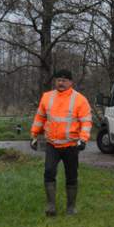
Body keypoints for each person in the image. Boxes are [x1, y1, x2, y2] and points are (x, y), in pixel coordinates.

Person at [30, 69, 92, 216]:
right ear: (55, 81)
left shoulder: (80, 99)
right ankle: (51, 206)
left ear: (71, 82)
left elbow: (86, 121)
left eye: (64, 80)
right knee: (49, 172)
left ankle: (71, 208)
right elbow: (40, 118)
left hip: (71, 146)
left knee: (71, 176)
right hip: (52, 145)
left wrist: (83, 139)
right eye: (58, 79)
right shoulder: (47, 97)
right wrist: (33, 135)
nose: (61, 82)